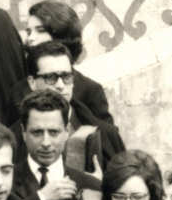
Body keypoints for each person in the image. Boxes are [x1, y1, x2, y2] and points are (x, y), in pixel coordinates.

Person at [23, 41, 125, 173]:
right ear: (32, 82)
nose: (60, 85)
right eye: (50, 78)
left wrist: (101, 184)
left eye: (66, 77)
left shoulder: (107, 134)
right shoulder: (14, 138)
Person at [11, 89, 103, 200]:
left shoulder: (92, 186)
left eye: (53, 132)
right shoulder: (5, 182)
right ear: (23, 132)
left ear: (67, 131)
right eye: (37, 132)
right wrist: (40, 199)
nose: (46, 142)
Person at [18, 0, 113, 125]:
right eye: (29, 32)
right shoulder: (19, 89)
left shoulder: (90, 90)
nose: (30, 38)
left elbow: (107, 134)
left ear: (62, 34)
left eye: (40, 30)